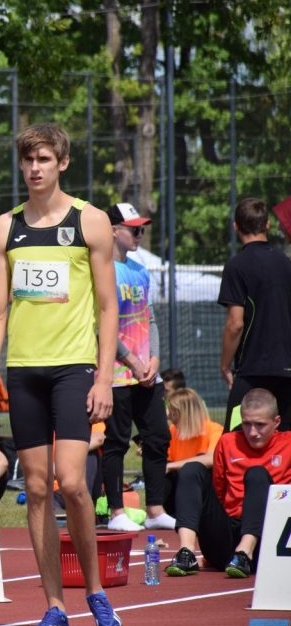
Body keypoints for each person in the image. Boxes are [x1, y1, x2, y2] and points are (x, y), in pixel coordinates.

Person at [0, 124, 122, 626]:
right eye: (27, 160)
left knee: (74, 482)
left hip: (74, 367)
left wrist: (105, 377)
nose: (34, 168)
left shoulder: (91, 222)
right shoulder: (5, 229)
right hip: (25, 371)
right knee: (36, 487)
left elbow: (109, 307)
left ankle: (97, 593)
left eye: (43, 159)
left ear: (62, 162)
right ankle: (54, 606)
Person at [101, 203, 174, 533]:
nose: (139, 235)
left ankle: (155, 510)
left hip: (147, 374)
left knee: (157, 437)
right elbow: (100, 325)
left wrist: (154, 360)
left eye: (142, 229)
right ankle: (116, 512)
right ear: (114, 230)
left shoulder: (140, 271)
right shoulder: (100, 271)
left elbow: (152, 319)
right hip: (116, 375)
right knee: (116, 441)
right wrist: (131, 360)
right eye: (134, 229)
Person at [165, 388, 291, 578]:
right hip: (226, 535)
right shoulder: (228, 442)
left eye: (260, 425)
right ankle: (186, 552)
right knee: (192, 469)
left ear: (277, 422)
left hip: (267, 541)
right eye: (247, 424)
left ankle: (244, 553)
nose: (252, 432)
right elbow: (219, 489)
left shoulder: (288, 443)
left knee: (257, 474)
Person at [218, 197, 291, 430]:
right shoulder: (286, 263)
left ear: (235, 226)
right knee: (286, 439)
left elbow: (235, 324)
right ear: (267, 225)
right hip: (287, 370)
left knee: (235, 436)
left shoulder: (237, 266)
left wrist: (225, 365)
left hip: (251, 371)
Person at [162, 387, 224, 516]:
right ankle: (159, 514)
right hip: (177, 489)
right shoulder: (173, 431)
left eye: (173, 413)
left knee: (189, 471)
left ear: (185, 413)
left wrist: (172, 466)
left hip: (203, 490)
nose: (169, 417)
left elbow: (211, 458)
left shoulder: (214, 429)